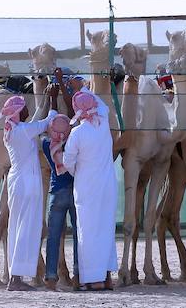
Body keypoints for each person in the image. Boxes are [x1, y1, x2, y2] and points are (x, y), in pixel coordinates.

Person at [0, 86, 59, 291]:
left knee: (18, 226)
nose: (27, 110)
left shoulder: (14, 130)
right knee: (26, 228)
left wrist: (47, 99)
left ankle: (15, 276)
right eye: (24, 108)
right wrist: (53, 98)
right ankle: (15, 278)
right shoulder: (22, 131)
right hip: (26, 183)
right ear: (18, 112)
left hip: (18, 181)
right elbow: (48, 122)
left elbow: (38, 122)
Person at [62, 90, 118, 291]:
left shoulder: (77, 133)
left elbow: (68, 161)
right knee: (106, 229)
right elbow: (103, 105)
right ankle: (107, 277)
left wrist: (78, 172)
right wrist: (85, 88)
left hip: (87, 187)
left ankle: (94, 279)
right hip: (108, 185)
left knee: (88, 232)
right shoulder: (104, 123)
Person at [42, 114, 78, 291]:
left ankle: (50, 277)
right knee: (78, 235)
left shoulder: (46, 144)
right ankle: (78, 275)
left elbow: (42, 132)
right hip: (74, 191)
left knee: (53, 237)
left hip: (56, 192)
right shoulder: (73, 145)